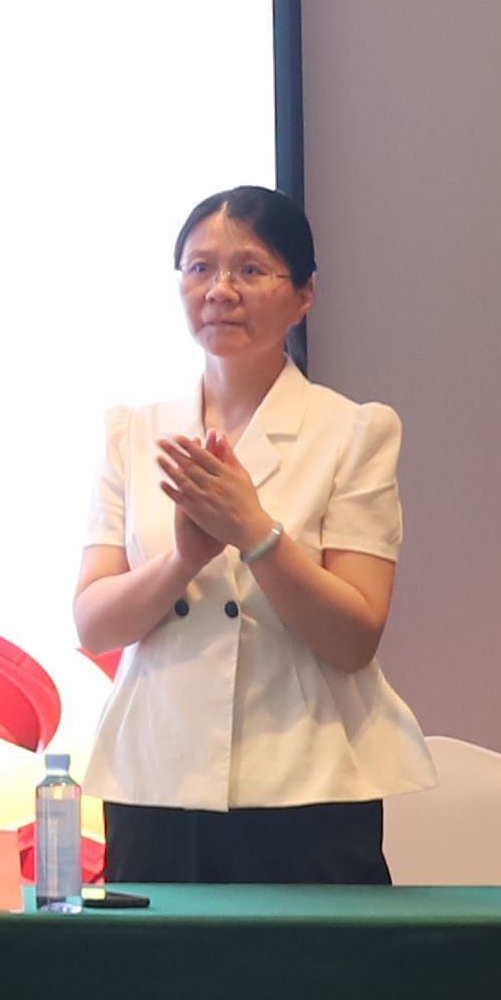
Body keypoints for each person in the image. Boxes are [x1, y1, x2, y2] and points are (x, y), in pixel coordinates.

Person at [68, 184, 428, 882]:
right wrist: (182, 561)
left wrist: (256, 533)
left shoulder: (353, 430)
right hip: (157, 775)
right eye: (200, 268)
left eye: (251, 270)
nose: (220, 290)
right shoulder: (135, 432)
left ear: (304, 295)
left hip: (307, 779)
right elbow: (94, 623)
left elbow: (354, 638)